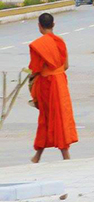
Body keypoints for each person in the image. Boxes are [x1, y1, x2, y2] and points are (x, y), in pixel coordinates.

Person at [28, 13, 76, 163]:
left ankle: (42, 155)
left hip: (47, 84)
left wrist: (31, 79)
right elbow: (66, 65)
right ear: (53, 25)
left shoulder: (38, 45)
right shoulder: (60, 42)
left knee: (47, 118)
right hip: (60, 82)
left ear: (39, 26)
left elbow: (35, 69)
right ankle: (55, 154)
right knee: (60, 116)